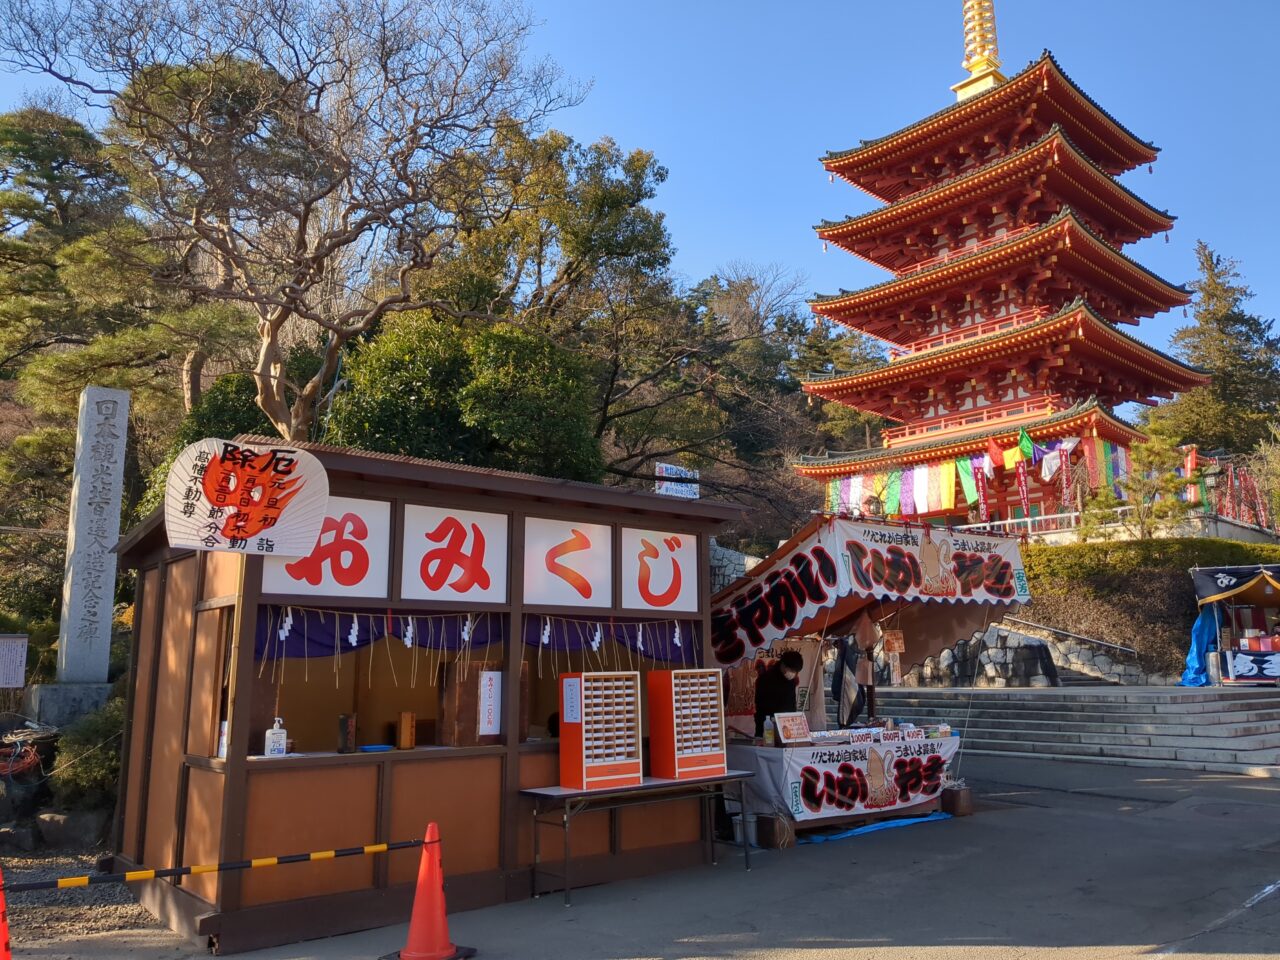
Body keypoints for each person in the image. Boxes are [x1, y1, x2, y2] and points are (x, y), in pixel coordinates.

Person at [754, 649, 804, 737]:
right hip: (768, 727)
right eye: (791, 670)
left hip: (787, 727)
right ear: (783, 665)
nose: (793, 674)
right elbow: (760, 707)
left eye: (795, 672)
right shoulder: (765, 679)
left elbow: (792, 703)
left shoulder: (790, 681)